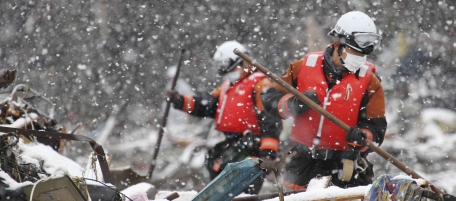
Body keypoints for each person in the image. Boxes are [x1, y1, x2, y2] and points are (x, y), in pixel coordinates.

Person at [260, 11, 387, 190]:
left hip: (347, 172)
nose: (360, 60)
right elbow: (269, 98)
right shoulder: (302, 67)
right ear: (338, 44)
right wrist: (293, 104)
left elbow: (377, 127)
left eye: (363, 56)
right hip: (303, 167)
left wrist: (363, 136)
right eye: (355, 53)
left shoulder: (370, 81)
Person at [166, 40, 282, 194]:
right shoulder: (228, 86)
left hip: (250, 148)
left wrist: (268, 154)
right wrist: (180, 101)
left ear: (240, 62)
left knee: (242, 192)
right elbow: (206, 106)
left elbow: (271, 122)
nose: (223, 70)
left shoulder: (260, 84)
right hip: (230, 146)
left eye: (225, 64)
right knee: (218, 180)